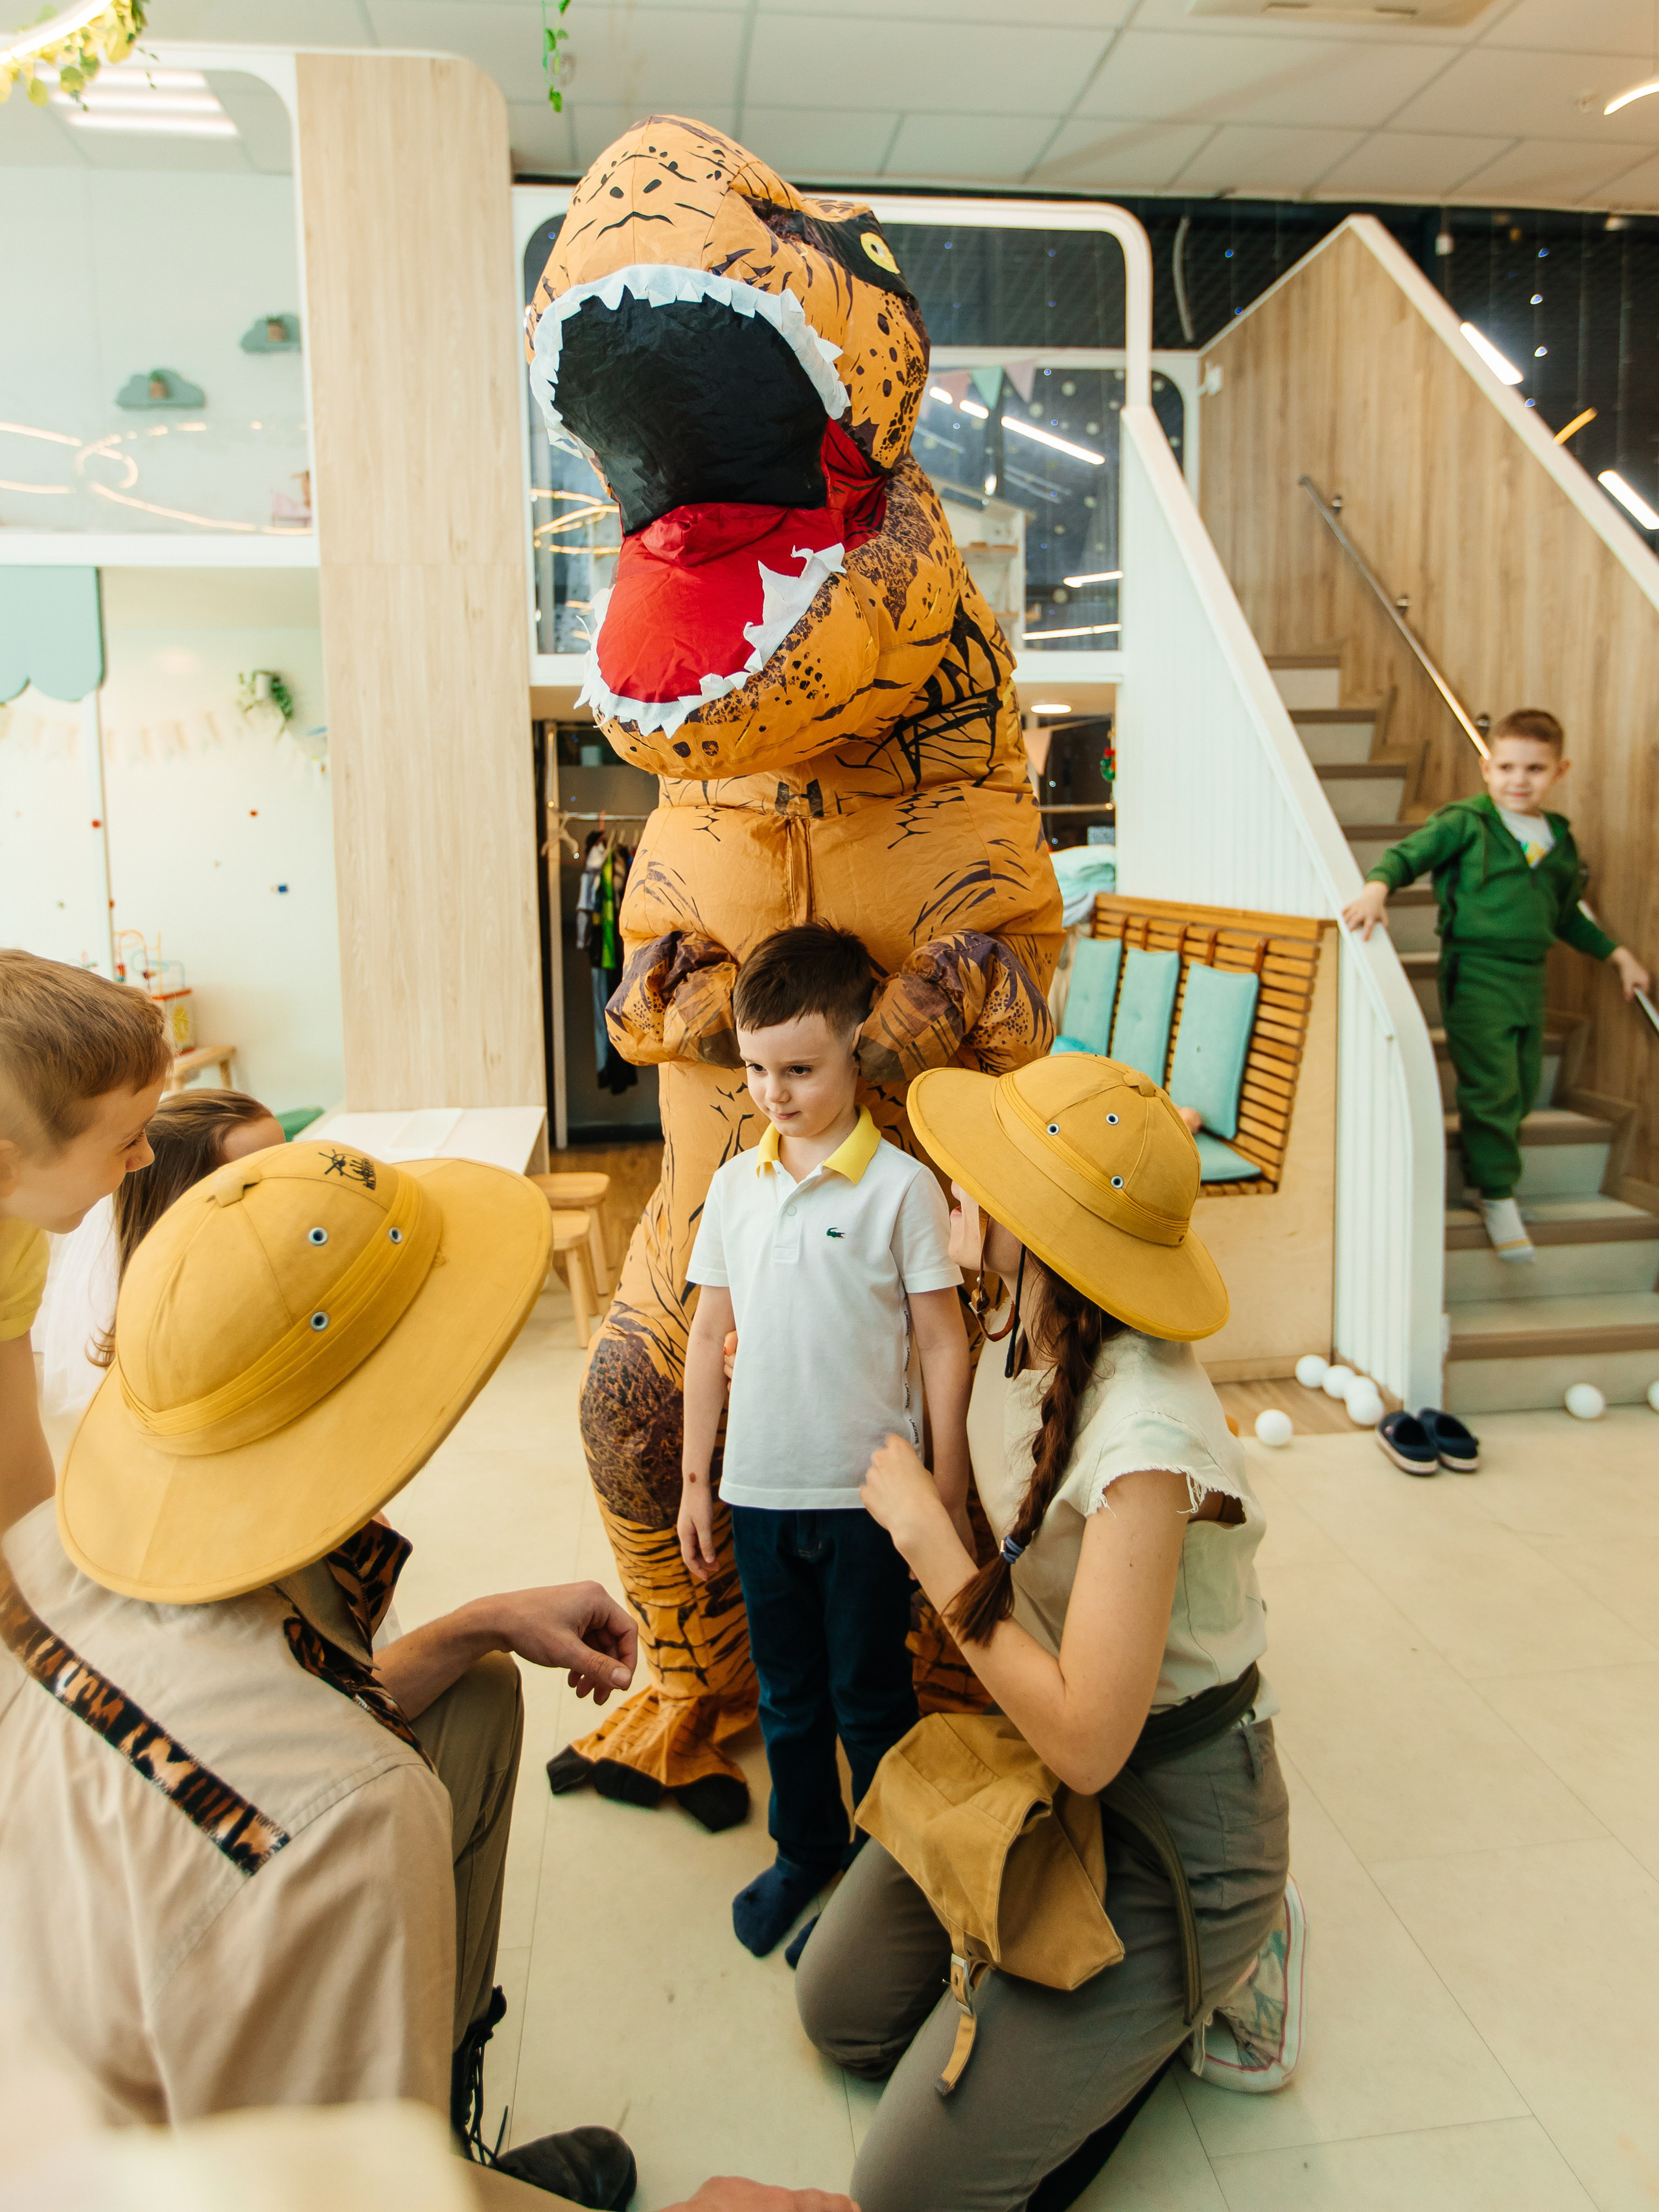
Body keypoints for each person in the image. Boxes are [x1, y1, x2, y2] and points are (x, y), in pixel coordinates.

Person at [1, 1135, 642, 2204]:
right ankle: (429, 2125)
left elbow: (231, 1724)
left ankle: (435, 2091)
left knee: (473, 1699)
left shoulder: (36, 1553)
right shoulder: (354, 1816)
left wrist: (480, 1620)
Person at [794, 1053, 1299, 2212]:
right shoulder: (1019, 1315)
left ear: (1045, 1231)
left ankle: (1233, 1963)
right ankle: (1062, 2018)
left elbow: (1086, 1743)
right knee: (838, 2008)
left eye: (983, 1178)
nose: (953, 1187)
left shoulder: (1148, 1442)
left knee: (907, 2189)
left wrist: (931, 1543)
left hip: (1175, 1815)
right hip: (1054, 1748)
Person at [679, 925, 972, 1960]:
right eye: (758, 1069)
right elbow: (710, 1328)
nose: (775, 1092)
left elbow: (942, 1336)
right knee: (787, 1697)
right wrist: (693, 1480)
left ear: (857, 1046)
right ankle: (803, 1852)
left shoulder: (901, 1189)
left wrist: (948, 1474)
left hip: (869, 1498)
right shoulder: (733, 1187)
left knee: (871, 1697)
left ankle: (882, 1885)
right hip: (760, 1493)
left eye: (799, 1069)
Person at [1343, 709, 1652, 1263]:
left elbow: (1566, 916)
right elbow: (1406, 855)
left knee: (1524, 1084)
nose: (1519, 779)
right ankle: (1497, 1193)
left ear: (1560, 770)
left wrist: (1619, 955)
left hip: (1530, 979)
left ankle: (1484, 1182)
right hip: (1475, 972)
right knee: (1491, 1086)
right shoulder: (1467, 821)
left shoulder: (1557, 837)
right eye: (1506, 766)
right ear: (1487, 768)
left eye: (1535, 768)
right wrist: (1376, 889)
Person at [0, 949, 170, 1533]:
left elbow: (14, 1462)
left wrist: (42, 1613)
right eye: (127, 1139)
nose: (145, 1156)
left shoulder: (15, 1229)